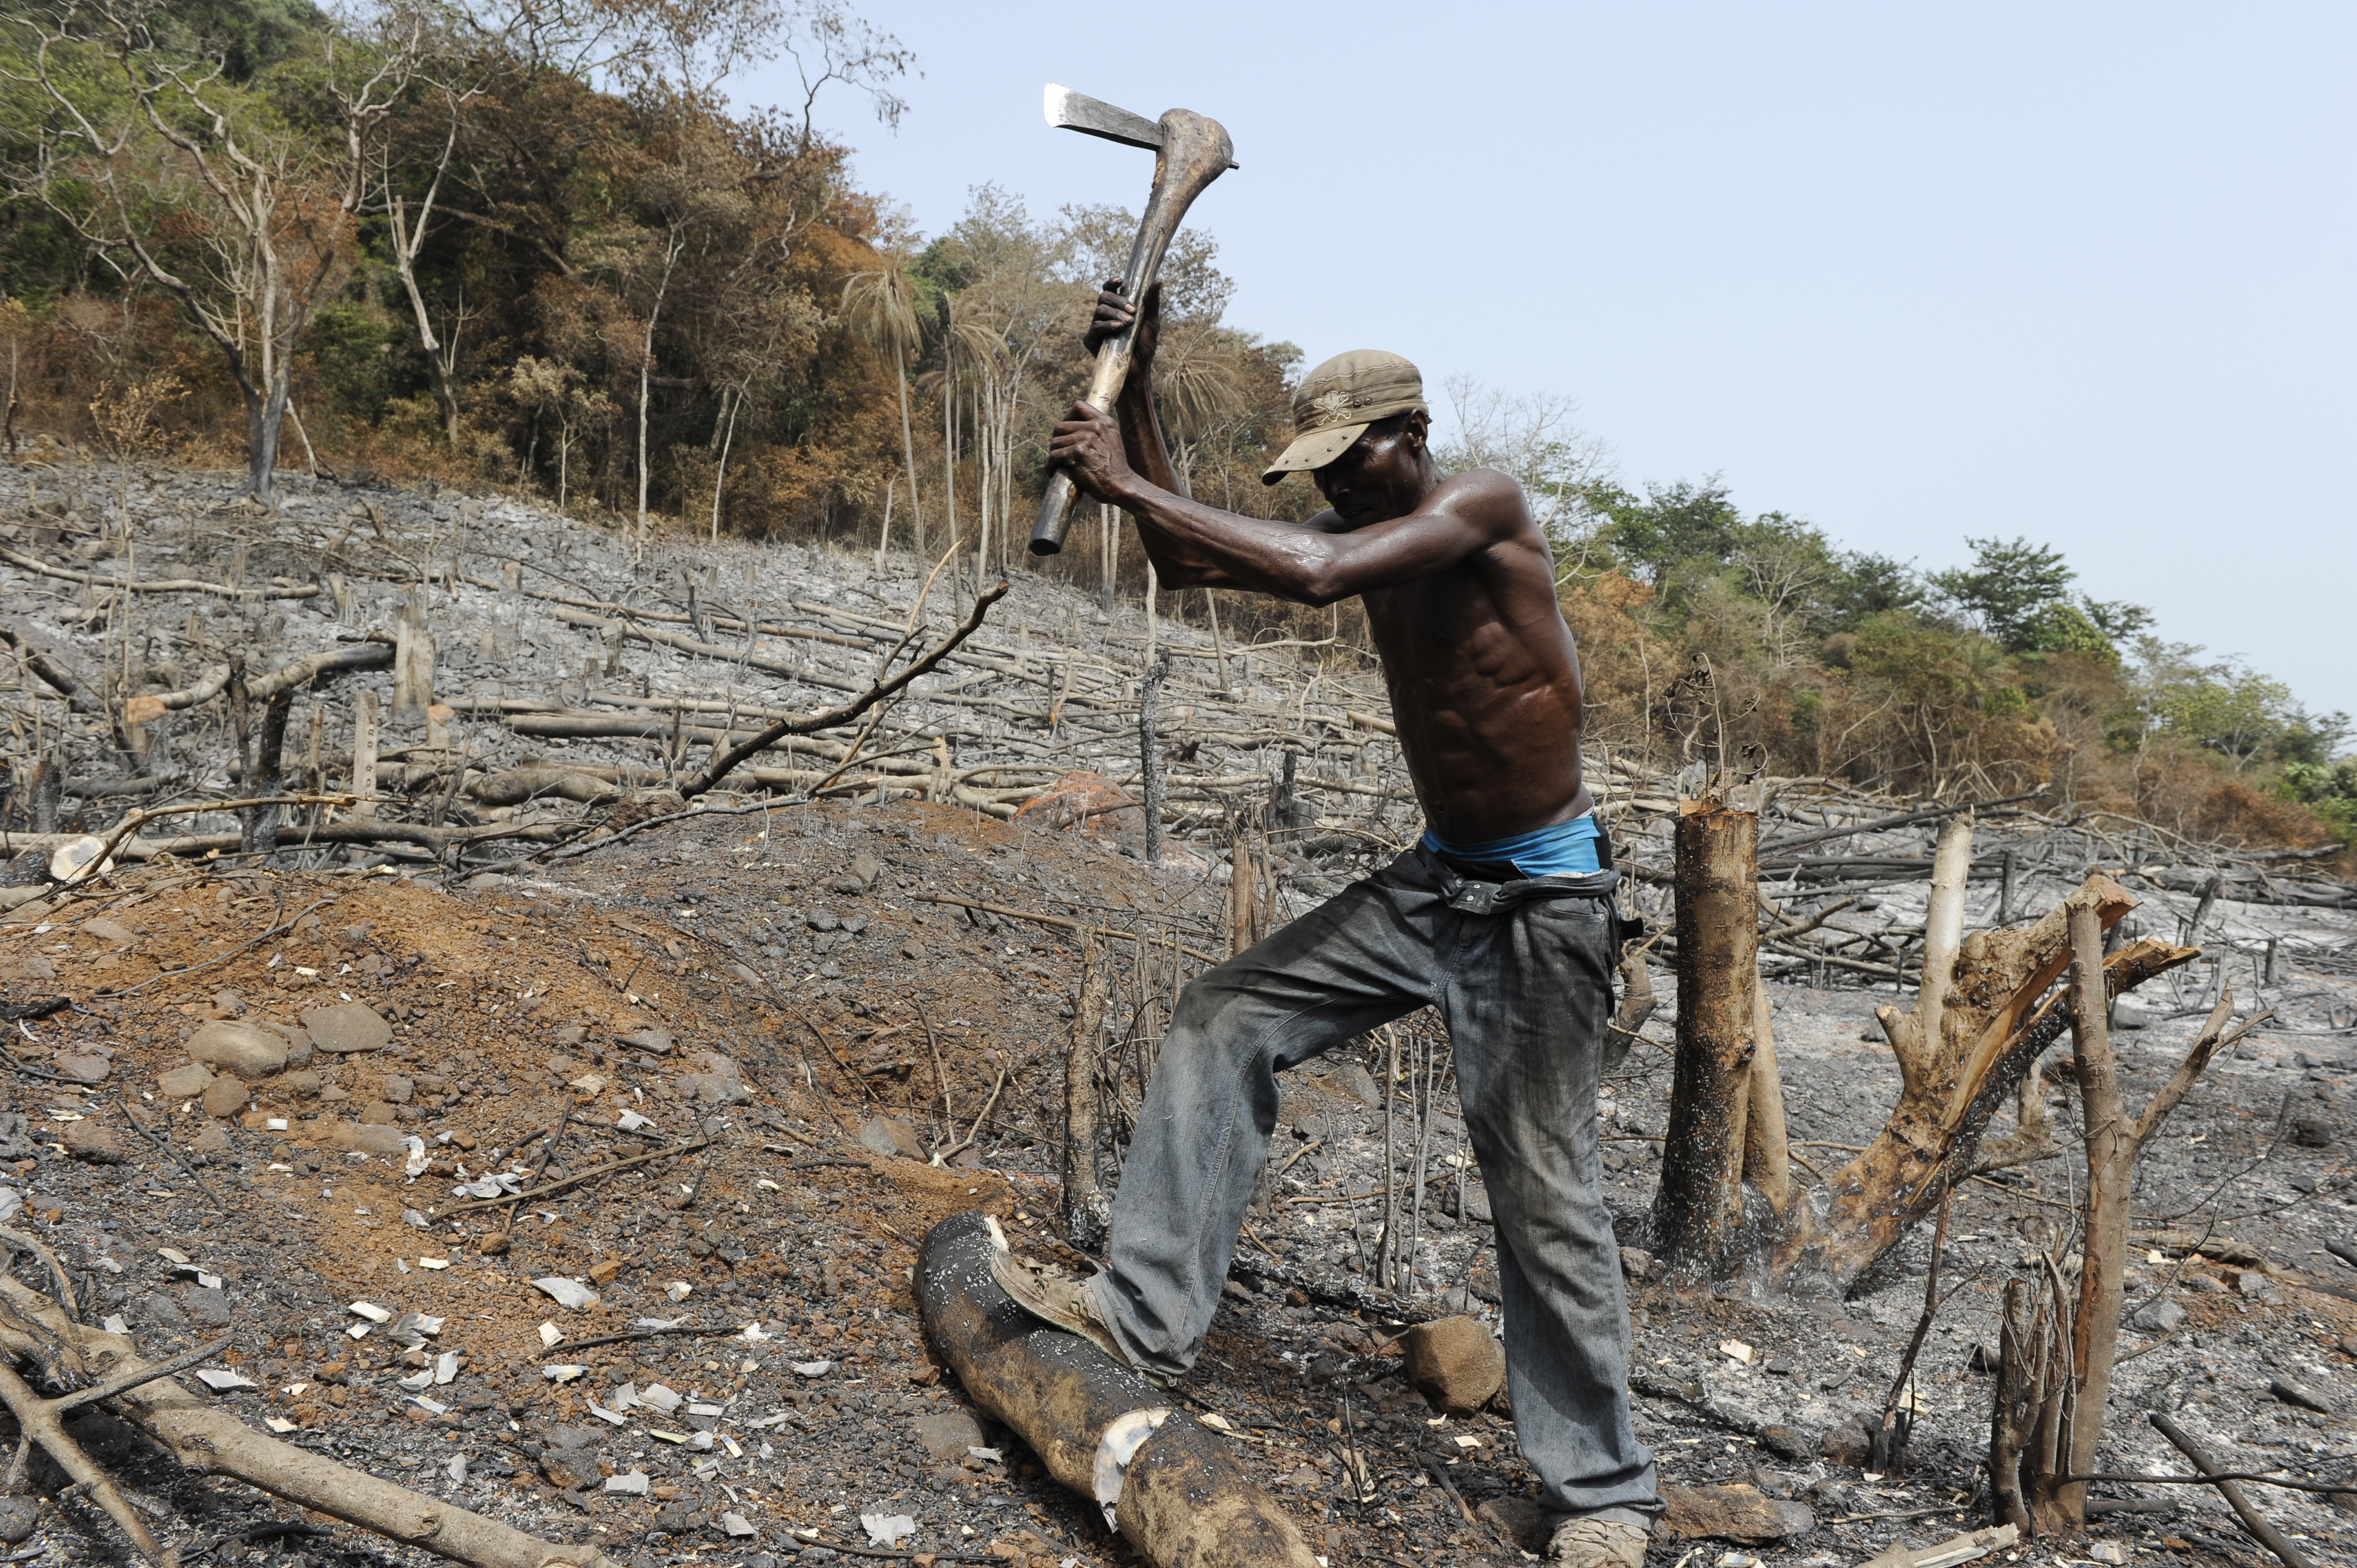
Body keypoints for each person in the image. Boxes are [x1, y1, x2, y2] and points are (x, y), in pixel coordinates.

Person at [990, 283, 1659, 1567]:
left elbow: (1309, 573)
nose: (1336, 490)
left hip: (1540, 901)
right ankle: (1142, 1317)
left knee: (1543, 1193)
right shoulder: (1367, 518)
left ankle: (1605, 1498)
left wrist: (1123, 479)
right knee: (1224, 1015)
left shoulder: (1481, 507)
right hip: (1435, 883)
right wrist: (1144, 376)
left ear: (1409, 433)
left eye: (1350, 463)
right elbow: (1196, 558)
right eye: (1322, 473)